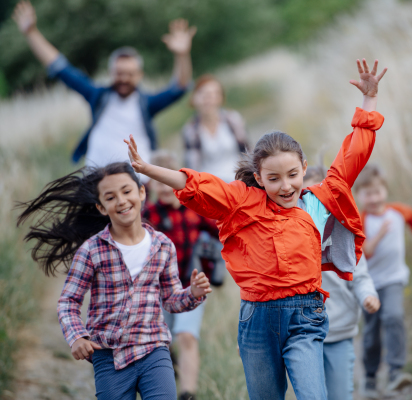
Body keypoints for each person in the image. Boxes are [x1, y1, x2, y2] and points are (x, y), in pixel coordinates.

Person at [125, 58, 388, 399]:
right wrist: (147, 168)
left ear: (304, 168)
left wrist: (369, 101)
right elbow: (197, 185)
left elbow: (354, 154)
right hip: (257, 320)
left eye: (293, 175)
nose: (286, 186)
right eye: (274, 179)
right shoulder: (242, 202)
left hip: (305, 316)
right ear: (260, 178)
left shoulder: (320, 200)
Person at [16, 162, 212, 400]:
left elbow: (170, 301)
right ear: (101, 207)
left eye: (127, 191)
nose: (121, 201)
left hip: (154, 349)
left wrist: (192, 293)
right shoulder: (91, 250)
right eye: (111, 197)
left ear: (141, 192)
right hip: (109, 356)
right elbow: (68, 301)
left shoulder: (163, 245)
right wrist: (77, 336)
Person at [12, 1, 196, 169]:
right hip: (97, 180)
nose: (123, 78)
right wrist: (31, 33)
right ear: (111, 73)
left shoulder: (147, 103)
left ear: (139, 75)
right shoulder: (98, 96)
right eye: (119, 73)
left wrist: (182, 55)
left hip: (137, 182)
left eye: (129, 74)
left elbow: (178, 88)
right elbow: (61, 68)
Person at [143, 151, 220, 400]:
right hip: (157, 290)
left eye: (169, 181)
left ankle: (188, 393)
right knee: (161, 342)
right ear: (150, 184)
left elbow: (222, 229)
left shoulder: (195, 210)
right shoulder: (149, 215)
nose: (164, 188)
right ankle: (167, 374)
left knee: (186, 335)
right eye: (158, 182)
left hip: (191, 285)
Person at [354, 164, 412, 397]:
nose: (374, 198)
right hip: (369, 283)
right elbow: (365, 251)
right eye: (367, 194)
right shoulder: (361, 221)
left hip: (394, 279)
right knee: (371, 331)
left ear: (385, 191)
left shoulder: (397, 211)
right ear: (359, 196)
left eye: (377, 192)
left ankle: (395, 372)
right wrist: (379, 235)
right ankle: (369, 379)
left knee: (394, 316)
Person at [303, 167, 381, 400]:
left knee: (339, 393)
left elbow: (361, 276)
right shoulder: (292, 240)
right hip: (303, 336)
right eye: (307, 198)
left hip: (340, 330)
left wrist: (367, 295)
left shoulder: (343, 236)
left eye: (321, 197)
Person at [183, 74, 248, 183]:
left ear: (221, 98)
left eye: (214, 94)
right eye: (204, 94)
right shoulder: (191, 130)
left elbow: (247, 151)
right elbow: (192, 166)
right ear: (194, 98)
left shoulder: (233, 120)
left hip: (238, 181)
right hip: (210, 186)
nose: (208, 99)